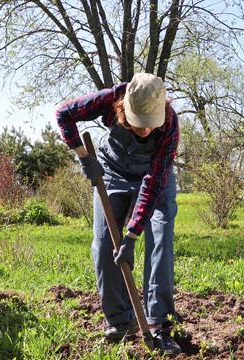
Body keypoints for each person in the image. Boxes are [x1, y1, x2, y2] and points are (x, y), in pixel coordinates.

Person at [55, 73, 181, 355]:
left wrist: (132, 235)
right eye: (140, 123)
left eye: (151, 124)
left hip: (153, 176)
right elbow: (64, 113)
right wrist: (83, 157)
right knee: (103, 245)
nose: (146, 131)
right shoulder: (112, 97)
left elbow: (153, 183)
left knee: (160, 238)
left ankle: (159, 324)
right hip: (111, 172)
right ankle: (120, 320)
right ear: (125, 108)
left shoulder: (170, 126)